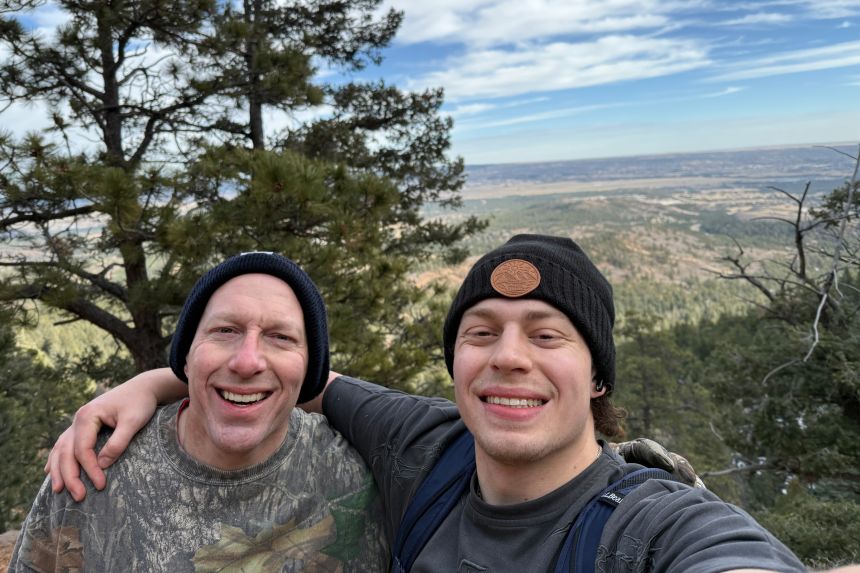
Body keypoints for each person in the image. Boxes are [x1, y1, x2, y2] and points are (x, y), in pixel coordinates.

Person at [40, 235, 855, 572]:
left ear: (598, 376)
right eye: (482, 331)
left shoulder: (647, 525)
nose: (507, 355)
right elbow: (278, 375)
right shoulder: (423, 451)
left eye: (546, 335)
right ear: (456, 361)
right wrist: (155, 379)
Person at [8, 252, 388, 572]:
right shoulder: (92, 469)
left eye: (281, 337)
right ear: (187, 357)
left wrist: (150, 383)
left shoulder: (364, 474)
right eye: (225, 330)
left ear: (309, 370)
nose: (247, 361)